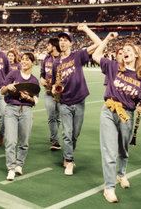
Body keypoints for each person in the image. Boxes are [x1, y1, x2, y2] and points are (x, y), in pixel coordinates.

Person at [92, 32, 141, 203]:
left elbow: (140, 96)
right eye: (124, 50)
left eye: (129, 50)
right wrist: (107, 39)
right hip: (109, 110)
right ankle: (109, 188)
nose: (126, 52)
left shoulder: (140, 76)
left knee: (123, 149)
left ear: (136, 54)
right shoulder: (113, 66)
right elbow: (96, 55)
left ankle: (121, 174)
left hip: (127, 114)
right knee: (109, 151)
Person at [51, 24, 101, 176]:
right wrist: (54, 88)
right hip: (64, 102)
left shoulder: (77, 56)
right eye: (60, 40)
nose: (62, 42)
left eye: (66, 40)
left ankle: (68, 154)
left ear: (71, 43)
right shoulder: (55, 62)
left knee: (75, 134)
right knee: (67, 133)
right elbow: (54, 83)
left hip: (79, 100)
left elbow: (98, 43)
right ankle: (69, 160)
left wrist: (85, 29)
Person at [1, 52, 39, 181]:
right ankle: (11, 168)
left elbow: (35, 101)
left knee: (24, 141)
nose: (24, 62)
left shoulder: (34, 80)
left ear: (32, 62)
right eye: (22, 59)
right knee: (11, 141)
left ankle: (19, 164)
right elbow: (2, 91)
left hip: (26, 110)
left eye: (27, 60)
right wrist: (8, 87)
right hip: (11, 109)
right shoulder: (13, 74)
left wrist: (27, 97)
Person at [40, 37, 61, 151]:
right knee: (51, 116)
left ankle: (54, 136)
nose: (46, 47)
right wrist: (41, 79)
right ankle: (55, 140)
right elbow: (42, 73)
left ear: (53, 47)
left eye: (48, 45)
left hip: (59, 92)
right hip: (48, 91)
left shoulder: (63, 58)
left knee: (58, 118)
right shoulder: (46, 58)